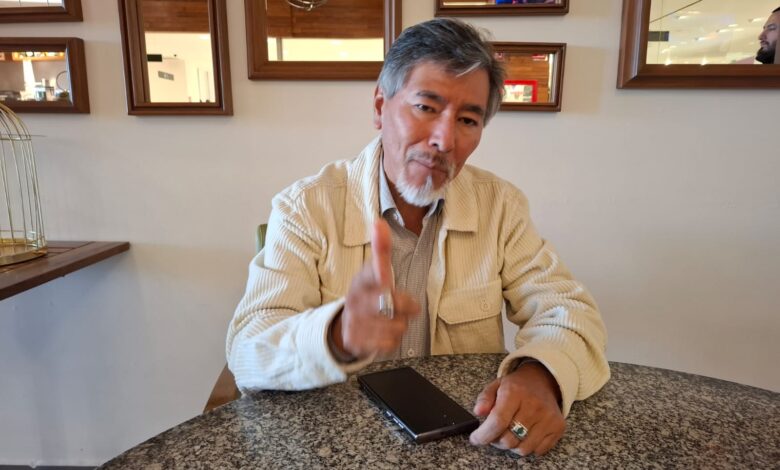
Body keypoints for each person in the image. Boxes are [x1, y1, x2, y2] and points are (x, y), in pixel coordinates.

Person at [227, 18, 609, 457]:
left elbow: (570, 311)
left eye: (468, 119)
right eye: (426, 107)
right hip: (338, 445)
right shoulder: (305, 207)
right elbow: (247, 351)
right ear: (380, 106)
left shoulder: (500, 206)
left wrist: (541, 375)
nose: (444, 140)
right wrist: (335, 335)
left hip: (464, 441)